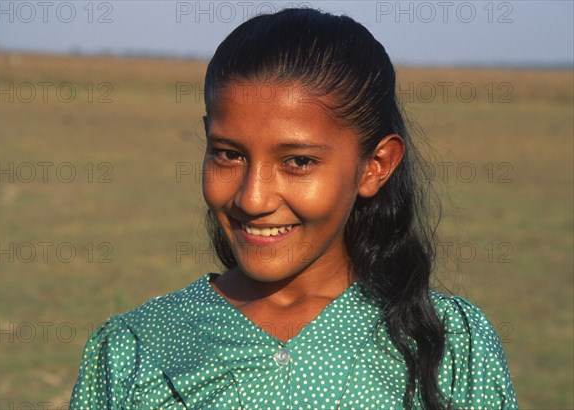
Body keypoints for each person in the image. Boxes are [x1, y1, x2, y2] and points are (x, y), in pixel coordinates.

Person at [70, 8, 517, 409]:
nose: (253, 198)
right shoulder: (135, 347)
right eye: (228, 154)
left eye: (298, 162)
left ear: (375, 166)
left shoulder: (451, 344)